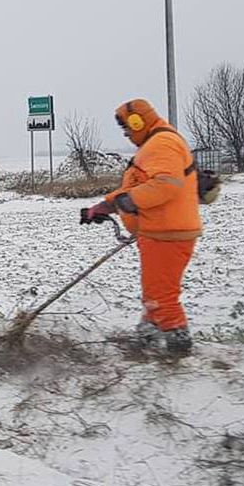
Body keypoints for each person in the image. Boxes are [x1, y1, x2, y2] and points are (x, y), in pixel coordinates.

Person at [81, 98, 201, 354]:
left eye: (127, 128)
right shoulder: (156, 144)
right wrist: (104, 206)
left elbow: (167, 184)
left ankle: (179, 352)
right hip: (159, 231)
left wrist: (129, 201)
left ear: (138, 121)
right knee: (155, 293)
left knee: (162, 297)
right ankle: (147, 338)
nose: (126, 134)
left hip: (168, 234)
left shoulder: (162, 144)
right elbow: (139, 185)